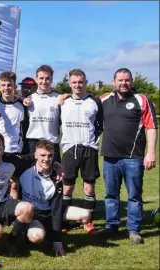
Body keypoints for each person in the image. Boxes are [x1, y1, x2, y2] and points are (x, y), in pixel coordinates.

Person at [100, 68, 157, 244]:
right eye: (120, 80)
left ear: (131, 82)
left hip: (133, 157)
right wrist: (62, 97)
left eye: (127, 80)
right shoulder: (103, 100)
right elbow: (82, 103)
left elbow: (151, 127)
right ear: (113, 82)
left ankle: (133, 230)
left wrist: (151, 152)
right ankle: (111, 226)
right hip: (109, 157)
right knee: (110, 195)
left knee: (134, 195)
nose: (123, 83)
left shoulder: (142, 100)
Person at [12, 140, 92, 256]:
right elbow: (6, 157)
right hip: (33, 214)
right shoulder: (25, 166)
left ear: (54, 156)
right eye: (42, 155)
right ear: (35, 155)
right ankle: (29, 232)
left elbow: (57, 209)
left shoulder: (57, 176)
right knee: (37, 236)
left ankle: (53, 231)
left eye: (50, 156)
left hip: (50, 211)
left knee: (86, 215)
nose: (46, 159)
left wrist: (57, 241)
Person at [59, 69, 103, 234]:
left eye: (80, 82)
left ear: (85, 82)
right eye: (74, 82)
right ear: (69, 84)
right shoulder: (62, 102)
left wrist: (89, 140)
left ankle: (88, 222)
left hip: (89, 149)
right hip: (70, 149)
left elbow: (100, 125)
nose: (77, 85)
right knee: (67, 188)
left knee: (89, 188)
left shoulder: (94, 101)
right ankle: (63, 221)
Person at [23, 65, 62, 162]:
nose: (44, 81)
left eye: (47, 78)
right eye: (41, 78)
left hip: (52, 143)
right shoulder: (29, 99)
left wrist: (67, 95)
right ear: (36, 79)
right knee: (32, 175)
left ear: (52, 79)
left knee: (54, 175)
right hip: (33, 142)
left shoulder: (59, 98)